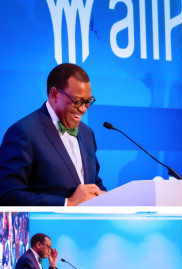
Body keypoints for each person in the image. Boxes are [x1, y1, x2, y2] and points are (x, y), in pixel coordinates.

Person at [0, 63, 106, 206]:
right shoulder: (23, 132)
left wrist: (102, 196)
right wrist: (67, 203)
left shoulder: (87, 133)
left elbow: (93, 182)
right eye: (78, 101)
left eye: (88, 102)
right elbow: (8, 194)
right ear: (54, 94)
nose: (83, 109)